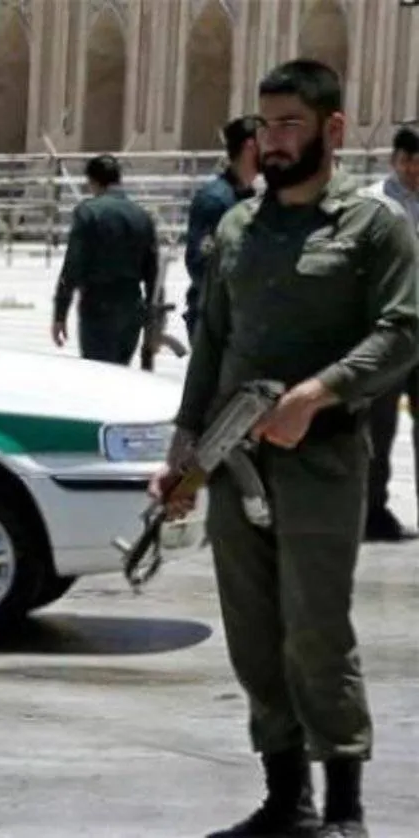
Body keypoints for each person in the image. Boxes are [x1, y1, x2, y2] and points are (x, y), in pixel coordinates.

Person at [154, 59, 419, 838]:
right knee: (253, 632)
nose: (272, 142)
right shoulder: (238, 227)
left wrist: (317, 394)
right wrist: (183, 455)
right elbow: (211, 346)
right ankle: (285, 801)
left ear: (333, 129)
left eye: (290, 125)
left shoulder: (373, 229)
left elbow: (404, 332)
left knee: (316, 630)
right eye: (264, 126)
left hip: (324, 461)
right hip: (234, 461)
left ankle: (345, 810)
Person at [361, 124, 419, 541]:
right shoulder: (370, 203)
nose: (414, 172)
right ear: (394, 160)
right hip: (385, 328)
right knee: (378, 426)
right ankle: (372, 509)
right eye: (407, 163)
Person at [50, 154, 161, 364]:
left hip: (98, 306)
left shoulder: (88, 212)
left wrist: (60, 312)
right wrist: (153, 322)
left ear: (93, 181)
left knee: (99, 375)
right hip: (131, 308)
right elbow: (153, 274)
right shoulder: (142, 215)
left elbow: (72, 265)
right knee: (121, 372)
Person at [184, 116, 261, 338]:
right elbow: (200, 264)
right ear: (250, 146)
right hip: (216, 322)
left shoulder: (251, 198)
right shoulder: (215, 200)